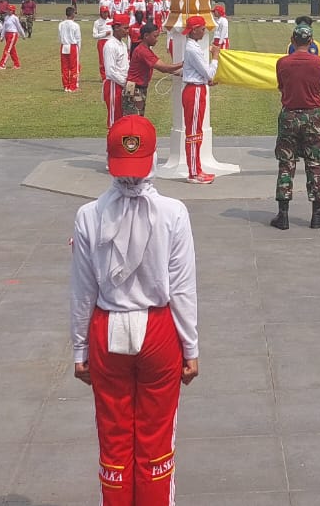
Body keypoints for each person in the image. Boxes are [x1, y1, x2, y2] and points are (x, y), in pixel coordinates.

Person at [70, 115, 200, 506]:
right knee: (157, 439)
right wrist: (190, 347)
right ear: (154, 159)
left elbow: (82, 290)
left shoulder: (88, 215)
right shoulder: (174, 213)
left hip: (107, 329)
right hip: (159, 330)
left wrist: (79, 350)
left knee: (113, 439)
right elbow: (182, 287)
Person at [272, 24, 320, 230]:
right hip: (311, 116)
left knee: (286, 164)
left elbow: (282, 86)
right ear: (311, 41)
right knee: (315, 163)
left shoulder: (282, 63)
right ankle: (317, 214)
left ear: (292, 40)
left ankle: (283, 215)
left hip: (289, 115)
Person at [179, 15, 222, 184]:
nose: (204, 32)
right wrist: (216, 57)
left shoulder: (192, 46)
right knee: (194, 132)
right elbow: (208, 73)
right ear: (194, 30)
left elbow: (203, 74)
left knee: (196, 131)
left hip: (197, 88)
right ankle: (194, 172)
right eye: (202, 29)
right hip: (194, 91)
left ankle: (196, 169)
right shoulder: (192, 48)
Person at [123, 23, 183, 117]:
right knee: (135, 119)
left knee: (137, 117)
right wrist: (185, 62)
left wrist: (180, 73)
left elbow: (164, 68)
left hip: (137, 88)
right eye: (155, 36)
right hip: (135, 89)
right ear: (146, 36)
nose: (157, 39)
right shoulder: (143, 51)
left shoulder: (144, 49)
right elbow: (164, 68)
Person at [101, 19, 131, 127]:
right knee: (115, 119)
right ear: (117, 28)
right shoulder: (110, 45)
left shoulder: (122, 44)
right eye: (125, 28)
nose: (128, 31)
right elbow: (110, 71)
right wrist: (125, 82)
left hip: (122, 84)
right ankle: (112, 142)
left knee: (123, 118)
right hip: (114, 85)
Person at [58, 5, 83, 92]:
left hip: (63, 45)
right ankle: (73, 86)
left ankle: (66, 86)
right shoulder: (75, 25)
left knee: (64, 67)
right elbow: (78, 38)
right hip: (72, 46)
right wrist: (78, 50)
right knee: (74, 67)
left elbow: (59, 36)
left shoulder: (61, 24)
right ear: (72, 14)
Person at [0, 5, 24, 70]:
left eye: (10, 10)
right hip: (7, 35)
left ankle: (2, 65)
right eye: (8, 10)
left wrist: (23, 35)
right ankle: (17, 64)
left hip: (13, 34)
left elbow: (19, 27)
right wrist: (2, 36)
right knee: (12, 50)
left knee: (7, 50)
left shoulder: (15, 18)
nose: (8, 11)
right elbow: (4, 27)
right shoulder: (6, 17)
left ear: (13, 11)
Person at [94, 6, 114, 79]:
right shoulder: (97, 22)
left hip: (110, 41)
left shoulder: (111, 21)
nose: (105, 14)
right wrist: (104, 34)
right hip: (101, 41)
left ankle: (111, 75)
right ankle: (104, 77)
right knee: (102, 61)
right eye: (104, 12)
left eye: (106, 12)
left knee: (111, 59)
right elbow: (94, 35)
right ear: (101, 13)